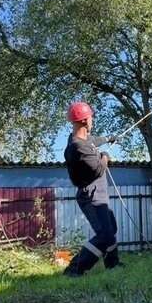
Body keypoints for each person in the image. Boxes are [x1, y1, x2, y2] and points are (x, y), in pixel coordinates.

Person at [63, 100, 123, 277]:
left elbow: (94, 140)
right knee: (105, 234)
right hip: (91, 197)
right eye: (90, 117)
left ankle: (113, 265)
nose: (92, 120)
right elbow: (99, 169)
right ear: (84, 121)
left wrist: (109, 138)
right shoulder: (78, 147)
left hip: (98, 195)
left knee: (110, 230)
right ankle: (74, 270)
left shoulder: (81, 140)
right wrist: (105, 156)